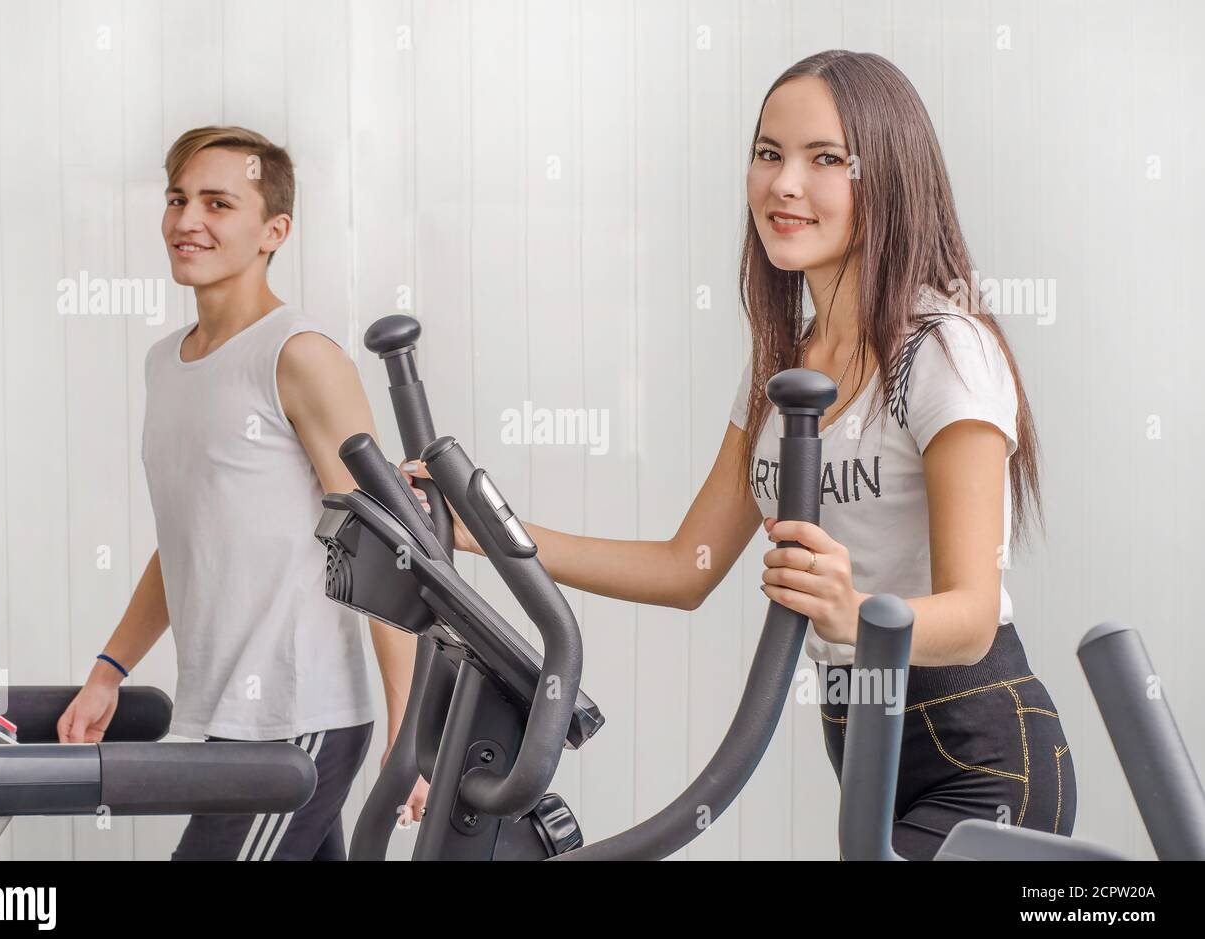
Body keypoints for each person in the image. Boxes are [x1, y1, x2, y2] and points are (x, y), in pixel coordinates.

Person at [401, 51, 1075, 859]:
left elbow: (969, 617)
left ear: (888, 175)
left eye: (826, 158)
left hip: (983, 750)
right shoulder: (780, 366)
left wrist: (856, 612)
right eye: (768, 154)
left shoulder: (944, 350)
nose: (785, 184)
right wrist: (482, 528)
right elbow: (685, 568)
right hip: (864, 734)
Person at [57, 126, 428, 860]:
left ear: (273, 230)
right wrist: (109, 671)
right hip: (232, 718)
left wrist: (408, 732)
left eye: (218, 203)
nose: (187, 220)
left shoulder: (300, 356)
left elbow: (384, 543)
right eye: (177, 198)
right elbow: (189, 542)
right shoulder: (166, 364)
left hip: (299, 719)